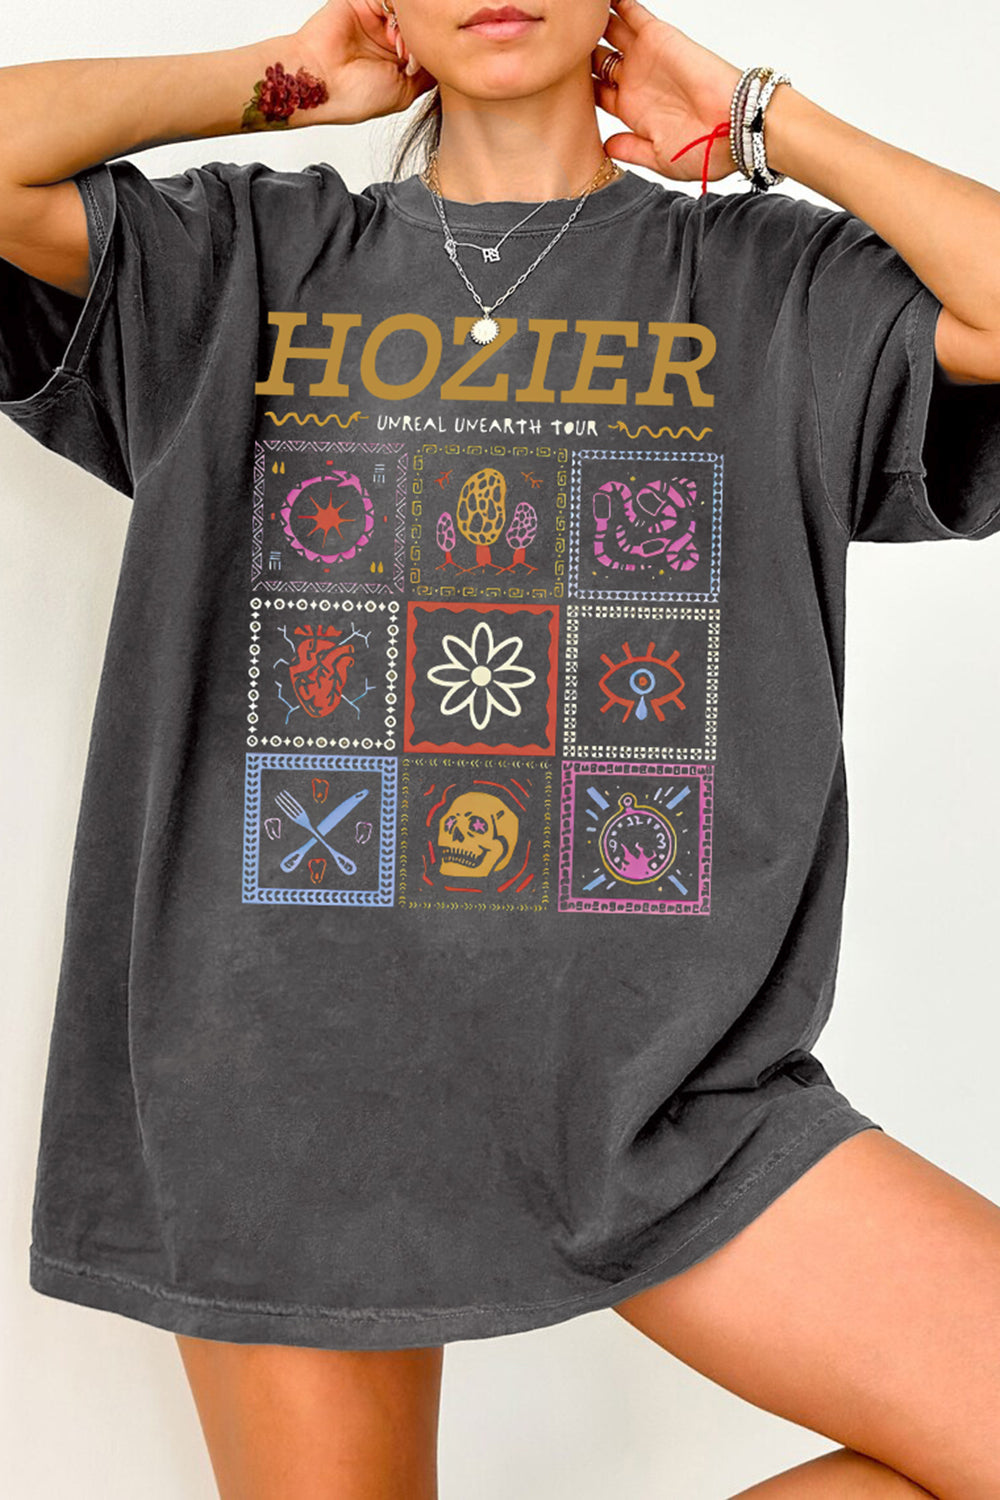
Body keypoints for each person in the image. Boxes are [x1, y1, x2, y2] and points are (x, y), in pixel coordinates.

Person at [2, 0, 1000, 1494]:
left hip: (671, 1097)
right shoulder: (243, 258)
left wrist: (762, 120)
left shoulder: (769, 283)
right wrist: (271, 85)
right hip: (283, 1090)